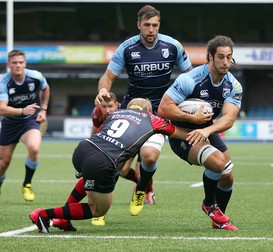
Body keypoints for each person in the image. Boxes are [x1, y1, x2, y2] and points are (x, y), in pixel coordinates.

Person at [29, 98, 200, 233]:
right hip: (102, 161)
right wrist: (203, 128)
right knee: (97, 210)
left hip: (83, 150)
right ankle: (43, 215)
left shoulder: (115, 114)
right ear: (148, 110)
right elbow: (181, 134)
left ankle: (64, 218)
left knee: (91, 177)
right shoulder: (152, 118)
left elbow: (101, 132)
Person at [94, 4, 192, 216]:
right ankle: (145, 183)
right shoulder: (127, 48)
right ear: (139, 25)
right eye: (146, 25)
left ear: (159, 25)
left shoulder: (173, 46)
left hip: (160, 111)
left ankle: (141, 190)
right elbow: (108, 76)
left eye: (154, 25)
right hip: (132, 111)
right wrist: (103, 90)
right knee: (119, 169)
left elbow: (190, 76)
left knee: (148, 157)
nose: (151, 29)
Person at [156, 35, 242, 230]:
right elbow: (163, 108)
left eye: (229, 57)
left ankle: (217, 218)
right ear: (209, 57)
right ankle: (209, 204)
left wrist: (207, 130)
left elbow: (229, 118)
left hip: (206, 130)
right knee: (218, 162)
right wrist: (193, 119)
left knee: (228, 176)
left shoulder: (234, 85)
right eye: (221, 57)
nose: (226, 62)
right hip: (182, 133)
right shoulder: (190, 79)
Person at [0, 49, 50, 201]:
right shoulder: (4, 82)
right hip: (10, 123)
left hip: (30, 121)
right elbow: (2, 108)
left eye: (20, 62)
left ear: (25, 63)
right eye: (14, 63)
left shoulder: (35, 76)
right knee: (3, 163)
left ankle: (27, 184)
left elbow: (46, 88)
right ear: (8, 64)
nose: (18, 65)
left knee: (34, 149)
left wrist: (43, 109)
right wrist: (22, 110)